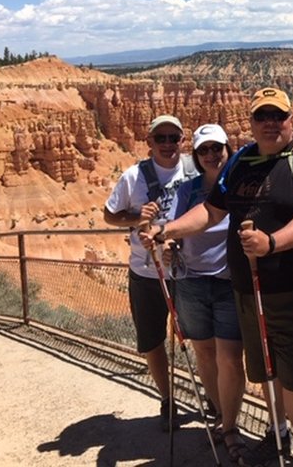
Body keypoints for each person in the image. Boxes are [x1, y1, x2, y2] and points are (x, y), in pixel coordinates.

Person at [141, 87, 293, 467]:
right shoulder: (242, 159)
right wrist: (168, 230)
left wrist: (271, 243)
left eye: (278, 116)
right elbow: (211, 212)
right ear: (251, 123)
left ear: (291, 119)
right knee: (265, 372)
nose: (270, 123)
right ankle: (276, 434)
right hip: (247, 289)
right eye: (262, 116)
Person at [103, 114, 196, 431]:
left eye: (174, 138)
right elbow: (109, 215)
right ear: (150, 143)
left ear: (183, 141)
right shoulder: (133, 176)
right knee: (154, 341)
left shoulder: (194, 169)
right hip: (147, 271)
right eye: (161, 138)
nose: (168, 144)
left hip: (187, 270)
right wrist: (135, 216)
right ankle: (168, 399)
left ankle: (210, 392)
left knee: (199, 338)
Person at [168, 123, 246, 462]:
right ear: (197, 157)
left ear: (228, 149)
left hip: (230, 282)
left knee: (230, 357)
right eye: (204, 150)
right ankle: (218, 411)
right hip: (191, 281)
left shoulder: (241, 186)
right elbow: (176, 227)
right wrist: (167, 242)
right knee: (204, 354)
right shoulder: (188, 191)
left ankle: (230, 426)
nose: (212, 155)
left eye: (217, 148)